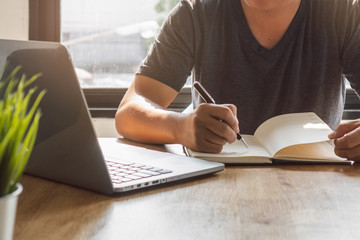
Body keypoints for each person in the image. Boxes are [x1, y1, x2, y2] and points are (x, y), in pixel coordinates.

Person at [115, 0, 360, 161]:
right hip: (214, 184)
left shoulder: (344, 13)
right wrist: (181, 127)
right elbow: (129, 113)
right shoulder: (195, 13)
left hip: (317, 185)